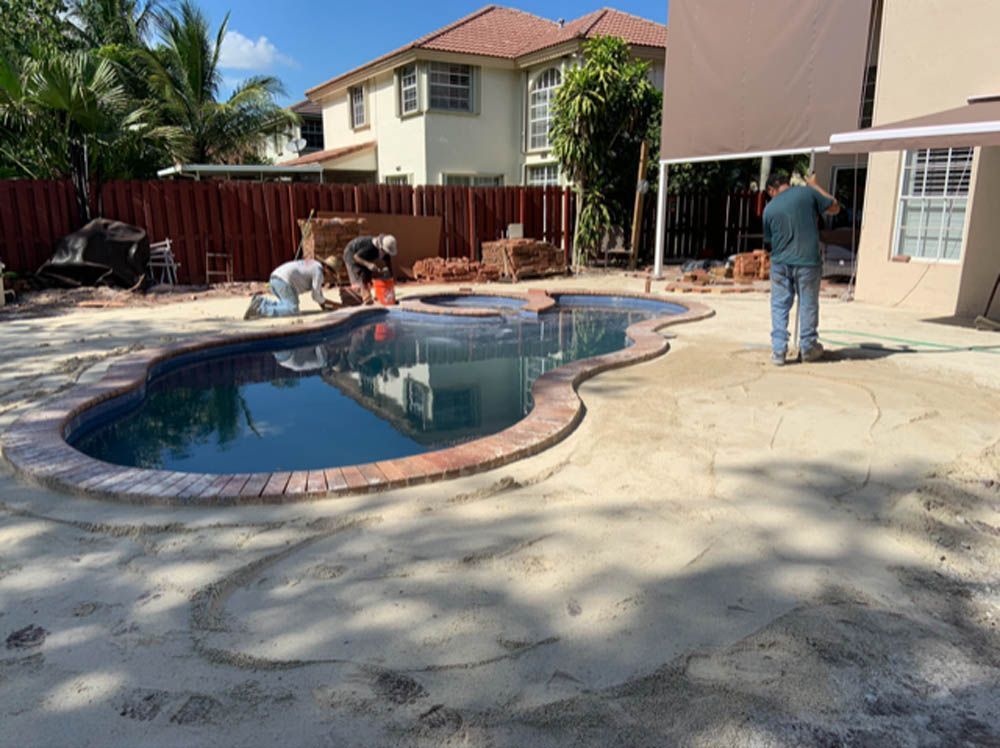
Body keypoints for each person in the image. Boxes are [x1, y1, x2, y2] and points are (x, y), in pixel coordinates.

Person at [763, 172, 840, 366]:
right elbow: (834, 206)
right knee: (807, 304)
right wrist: (814, 185)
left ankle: (778, 351)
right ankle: (808, 347)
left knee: (779, 305)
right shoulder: (807, 193)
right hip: (807, 262)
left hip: (780, 263)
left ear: (772, 189)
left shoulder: (769, 209)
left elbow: (769, 241)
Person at [243, 257, 340, 320]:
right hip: (284, 282)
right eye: (331, 273)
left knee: (285, 304)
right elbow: (316, 296)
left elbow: (317, 291)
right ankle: (260, 309)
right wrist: (336, 305)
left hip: (275, 280)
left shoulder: (314, 265)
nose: (330, 276)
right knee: (293, 310)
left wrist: (324, 307)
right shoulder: (318, 272)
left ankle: (260, 301)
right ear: (326, 267)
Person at [343, 234, 397, 304]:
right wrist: (368, 265)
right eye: (384, 251)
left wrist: (391, 277)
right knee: (359, 277)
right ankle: (363, 298)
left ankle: (368, 295)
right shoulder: (370, 247)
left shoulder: (385, 251)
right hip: (351, 255)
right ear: (380, 247)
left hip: (363, 257)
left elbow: (388, 263)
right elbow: (356, 257)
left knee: (367, 275)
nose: (385, 254)